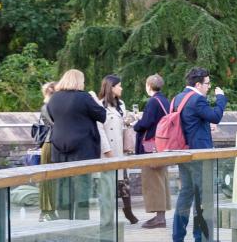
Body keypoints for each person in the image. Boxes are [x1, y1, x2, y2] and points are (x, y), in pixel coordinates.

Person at [172, 67, 227, 242]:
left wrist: (204, 125)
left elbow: (190, 122)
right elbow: (216, 116)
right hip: (200, 155)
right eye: (207, 83)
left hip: (184, 152)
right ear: (198, 84)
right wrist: (221, 98)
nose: (209, 87)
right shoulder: (197, 99)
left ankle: (178, 236)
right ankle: (201, 237)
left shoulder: (178, 98)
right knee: (202, 196)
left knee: (185, 193)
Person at [47, 69, 107, 220]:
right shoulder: (84, 97)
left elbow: (52, 117)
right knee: (82, 189)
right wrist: (95, 99)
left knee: (62, 188)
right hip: (83, 148)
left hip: (59, 147)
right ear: (78, 81)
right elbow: (102, 115)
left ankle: (63, 221)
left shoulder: (54, 98)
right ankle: (81, 222)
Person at [96, 74, 140, 225]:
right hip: (108, 151)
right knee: (107, 187)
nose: (121, 88)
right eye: (119, 85)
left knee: (124, 183)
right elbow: (99, 129)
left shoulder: (121, 104)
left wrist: (128, 121)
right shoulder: (100, 105)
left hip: (120, 150)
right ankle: (107, 218)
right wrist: (107, 150)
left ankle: (128, 210)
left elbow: (120, 126)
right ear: (111, 87)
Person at [133, 74, 171, 229]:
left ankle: (159, 218)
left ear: (148, 86)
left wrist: (136, 124)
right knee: (161, 180)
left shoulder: (153, 102)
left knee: (153, 181)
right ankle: (160, 216)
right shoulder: (165, 100)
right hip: (162, 145)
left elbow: (147, 123)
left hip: (151, 147)